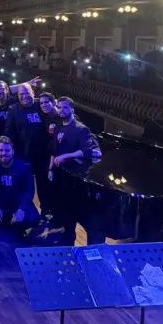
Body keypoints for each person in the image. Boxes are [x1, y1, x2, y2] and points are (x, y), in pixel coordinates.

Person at [48, 97, 104, 245]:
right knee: (65, 212)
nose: (61, 110)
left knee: (76, 213)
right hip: (61, 176)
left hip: (76, 178)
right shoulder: (59, 127)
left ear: (72, 109)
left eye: (65, 107)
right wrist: (50, 168)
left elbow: (87, 151)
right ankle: (67, 240)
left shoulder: (81, 129)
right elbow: (53, 150)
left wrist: (66, 155)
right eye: (59, 107)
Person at [0, 136, 40, 239]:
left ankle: (14, 227)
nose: (3, 153)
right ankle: (1, 223)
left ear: (13, 151)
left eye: (7, 150)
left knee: (34, 218)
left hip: (16, 200)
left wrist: (22, 209)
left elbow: (29, 190)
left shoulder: (24, 166)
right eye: (0, 150)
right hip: (0, 199)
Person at [4, 83, 51, 213]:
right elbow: (9, 132)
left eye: (27, 93)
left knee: (44, 186)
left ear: (33, 92)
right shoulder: (13, 109)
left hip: (43, 155)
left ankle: (45, 213)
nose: (24, 96)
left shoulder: (41, 105)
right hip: (23, 154)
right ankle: (24, 212)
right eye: (21, 94)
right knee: (24, 186)